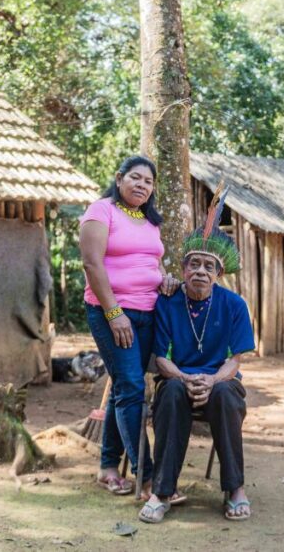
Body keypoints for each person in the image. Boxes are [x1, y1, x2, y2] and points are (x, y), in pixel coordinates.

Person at [139, 189, 255, 524]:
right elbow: (161, 358)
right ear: (183, 268)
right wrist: (187, 378)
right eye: (194, 264)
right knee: (171, 392)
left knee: (224, 395)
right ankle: (162, 492)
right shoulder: (167, 303)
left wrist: (211, 379)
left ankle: (235, 490)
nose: (200, 271)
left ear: (219, 273)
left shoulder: (234, 305)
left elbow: (235, 361)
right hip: (178, 378)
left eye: (209, 266)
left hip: (221, 381)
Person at [79, 156, 180, 498]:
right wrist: (113, 312)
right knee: (133, 389)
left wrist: (163, 279)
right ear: (119, 178)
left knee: (126, 389)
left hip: (149, 313)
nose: (142, 185)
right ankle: (145, 477)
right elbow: (92, 263)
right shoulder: (101, 210)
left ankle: (108, 466)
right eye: (135, 178)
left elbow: (152, 262)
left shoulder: (150, 220)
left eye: (148, 182)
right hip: (112, 313)